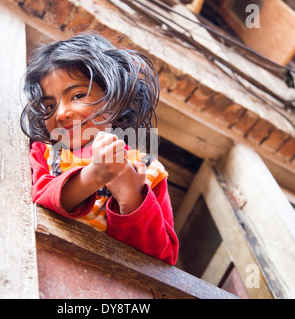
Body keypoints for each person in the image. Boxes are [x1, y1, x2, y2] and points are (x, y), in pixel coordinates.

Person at [20, 33, 178, 265]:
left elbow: (163, 257)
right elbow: (40, 198)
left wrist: (131, 197)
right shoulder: (44, 151)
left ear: (113, 98)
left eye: (78, 95)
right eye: (50, 105)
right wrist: (95, 175)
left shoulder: (148, 171)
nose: (61, 113)